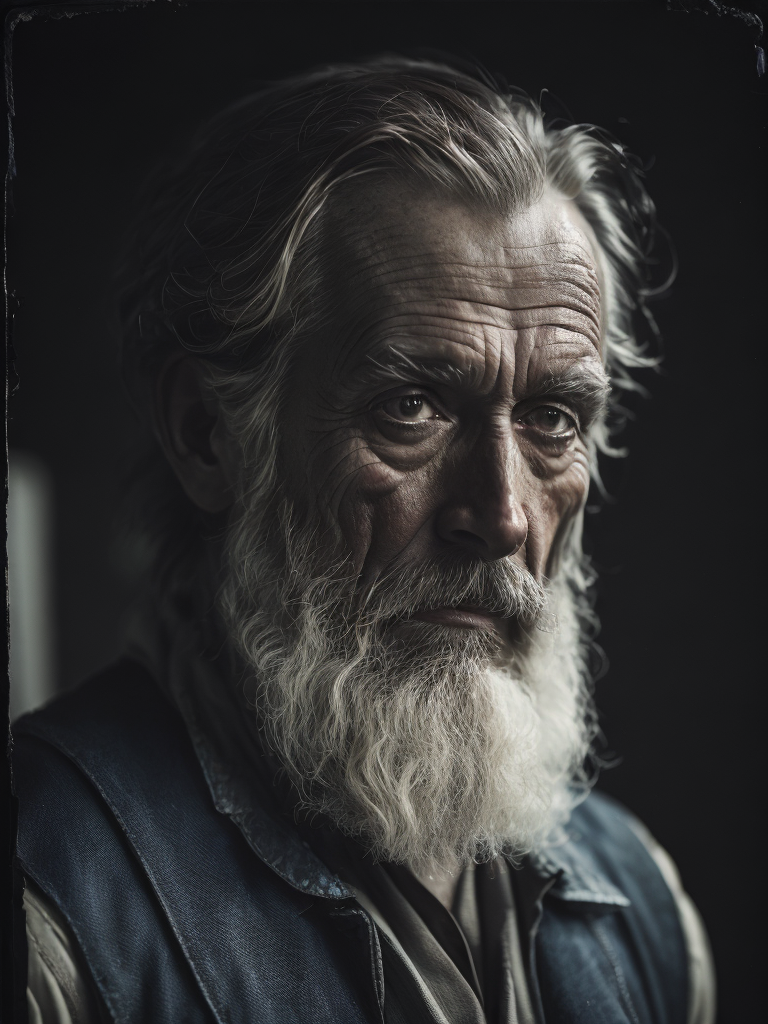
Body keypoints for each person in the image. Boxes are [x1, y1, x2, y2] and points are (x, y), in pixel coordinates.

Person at [14, 55, 715, 1024]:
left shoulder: (645, 909)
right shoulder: (46, 911)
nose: (502, 514)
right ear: (206, 435)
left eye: (553, 416)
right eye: (412, 406)